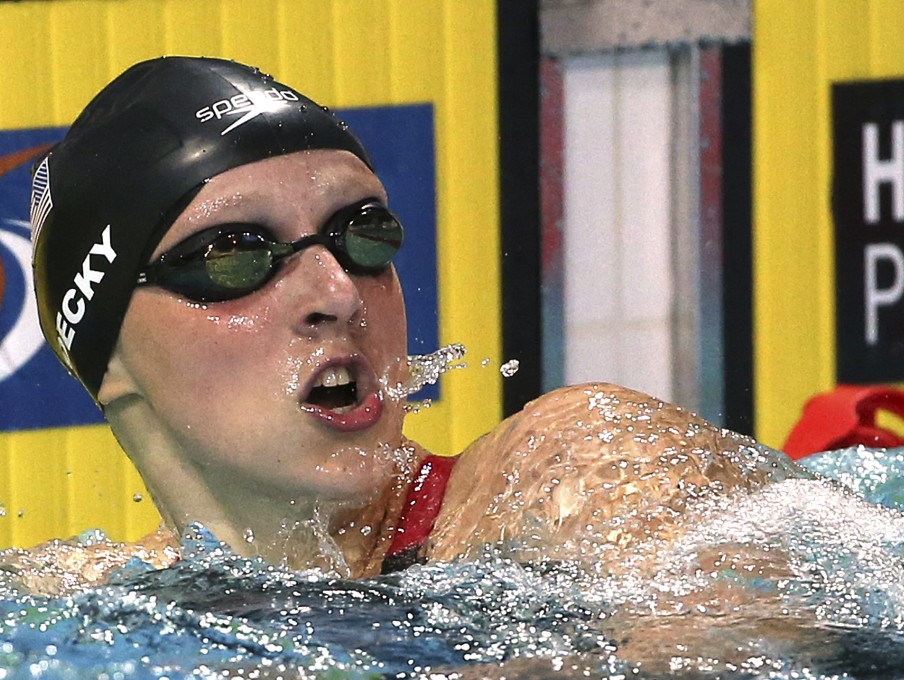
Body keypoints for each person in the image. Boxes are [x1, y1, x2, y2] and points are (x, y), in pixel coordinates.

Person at [13, 56, 786, 595]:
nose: (338, 289)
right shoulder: (90, 602)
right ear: (103, 353)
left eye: (362, 231)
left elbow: (742, 639)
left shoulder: (573, 471)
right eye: (234, 255)